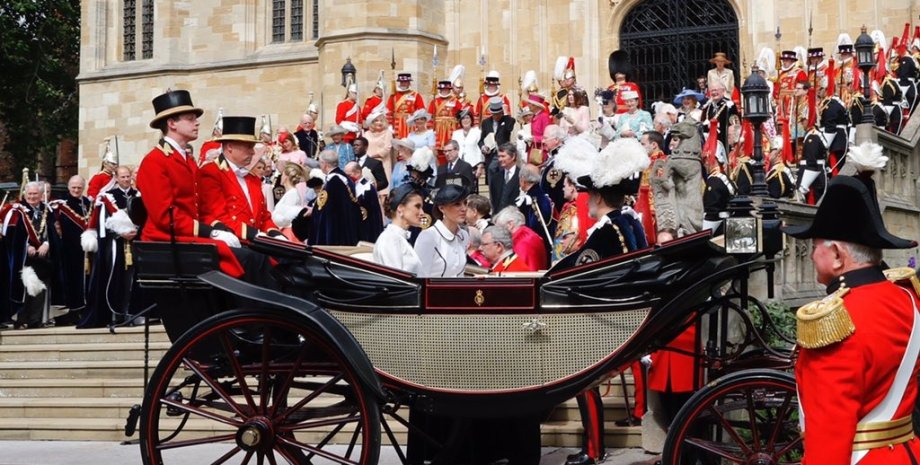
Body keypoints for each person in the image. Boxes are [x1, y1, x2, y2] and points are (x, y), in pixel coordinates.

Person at [783, 174, 920, 464]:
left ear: (836, 255)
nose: (810, 256)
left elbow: (828, 442)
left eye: (815, 246)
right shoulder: (908, 298)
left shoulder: (835, 322)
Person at [551, 135, 650, 465]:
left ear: (597, 195)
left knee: (581, 379)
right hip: (625, 310)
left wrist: (551, 275)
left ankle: (593, 451)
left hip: (609, 317)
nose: (587, 200)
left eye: (589, 194)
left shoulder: (609, 229)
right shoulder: (628, 221)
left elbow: (580, 266)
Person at [134, 89, 248, 283]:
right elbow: (165, 217)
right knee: (247, 259)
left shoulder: (187, 159)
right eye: (190, 118)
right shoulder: (155, 161)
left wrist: (220, 227)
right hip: (164, 239)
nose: (197, 122)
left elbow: (201, 207)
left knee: (250, 251)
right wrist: (209, 232)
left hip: (186, 235)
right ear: (172, 124)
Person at [197, 116, 285, 243]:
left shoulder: (252, 178)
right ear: (230, 147)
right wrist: (255, 234)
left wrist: (275, 234)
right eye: (248, 147)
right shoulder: (211, 172)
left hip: (255, 243)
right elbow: (218, 216)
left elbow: (263, 217)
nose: (253, 152)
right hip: (233, 243)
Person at [79, 168, 140, 328]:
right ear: (117, 178)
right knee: (116, 278)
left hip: (136, 243)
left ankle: (132, 312)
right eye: (123, 177)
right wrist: (120, 233)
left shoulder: (138, 195)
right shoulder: (108, 197)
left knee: (133, 280)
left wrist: (136, 232)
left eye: (128, 176)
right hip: (116, 244)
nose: (126, 180)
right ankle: (116, 313)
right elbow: (103, 224)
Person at [3, 182, 53, 328]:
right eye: (29, 194)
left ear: (40, 195)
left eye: (35, 194)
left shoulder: (46, 210)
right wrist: (26, 247)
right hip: (25, 257)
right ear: (25, 195)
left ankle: (35, 319)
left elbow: (54, 232)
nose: (32, 197)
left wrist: (47, 244)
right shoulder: (18, 212)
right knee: (25, 288)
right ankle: (21, 319)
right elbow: (13, 236)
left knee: (40, 288)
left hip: (43, 257)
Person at [51, 175, 92, 324]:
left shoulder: (88, 203)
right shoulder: (61, 206)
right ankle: (73, 311)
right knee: (72, 282)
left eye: (79, 187)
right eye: (73, 187)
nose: (76, 190)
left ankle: (86, 308)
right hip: (69, 250)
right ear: (68, 188)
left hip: (88, 251)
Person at [414, 184, 469, 278]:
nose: (464, 208)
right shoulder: (428, 236)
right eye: (457, 204)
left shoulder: (464, 235)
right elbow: (420, 276)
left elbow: (460, 275)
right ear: (441, 208)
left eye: (465, 203)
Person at [311, 149, 363, 246]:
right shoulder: (341, 177)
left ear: (325, 164)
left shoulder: (334, 180)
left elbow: (326, 207)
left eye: (320, 163)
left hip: (336, 231)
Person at [372, 184, 423, 273]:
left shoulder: (398, 238)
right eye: (417, 207)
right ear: (400, 208)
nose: (422, 213)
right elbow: (396, 280)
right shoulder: (390, 239)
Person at [492, 206, 546, 272]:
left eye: (500, 228)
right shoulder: (525, 233)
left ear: (510, 224)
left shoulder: (522, 241)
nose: (498, 232)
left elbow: (518, 271)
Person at [344, 162, 384, 243]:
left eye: (348, 174)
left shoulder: (367, 188)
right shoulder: (353, 185)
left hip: (366, 229)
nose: (347, 177)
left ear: (358, 173)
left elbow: (370, 214)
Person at [271, 162, 308, 242]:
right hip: (285, 230)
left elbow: (288, 217)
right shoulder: (289, 193)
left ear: (286, 177)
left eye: (283, 174)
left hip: (289, 232)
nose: (281, 177)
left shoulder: (292, 193)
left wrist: (274, 218)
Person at [364, 104, 393, 196]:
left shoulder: (388, 133)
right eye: (376, 121)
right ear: (372, 123)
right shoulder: (366, 134)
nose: (379, 123)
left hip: (383, 163)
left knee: (383, 192)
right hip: (370, 166)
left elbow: (387, 149)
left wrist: (372, 156)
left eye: (381, 120)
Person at [387, 72, 426, 139]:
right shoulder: (394, 95)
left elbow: (421, 110)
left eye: (405, 82)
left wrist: (418, 123)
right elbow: (389, 111)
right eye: (401, 82)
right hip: (397, 122)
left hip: (410, 122)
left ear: (409, 83)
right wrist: (389, 125)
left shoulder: (415, 95)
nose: (403, 84)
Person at [429, 80, 460, 163]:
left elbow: (460, 116)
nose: (444, 91)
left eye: (446, 89)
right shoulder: (434, 101)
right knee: (439, 151)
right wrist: (431, 130)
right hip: (438, 130)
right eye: (443, 90)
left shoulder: (455, 101)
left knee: (451, 148)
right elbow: (430, 117)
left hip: (450, 129)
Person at [479, 97, 517, 164]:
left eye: (498, 114)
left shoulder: (508, 120)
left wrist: (506, 114)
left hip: (504, 156)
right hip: (490, 157)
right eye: (494, 114)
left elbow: (509, 128)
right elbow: (481, 140)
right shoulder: (485, 122)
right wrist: (483, 147)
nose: (496, 116)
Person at [451, 108, 484, 183]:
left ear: (471, 119)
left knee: (471, 189)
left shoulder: (477, 132)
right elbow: (453, 149)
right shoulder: (456, 133)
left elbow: (480, 150)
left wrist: (480, 166)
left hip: (473, 165)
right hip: (458, 165)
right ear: (460, 121)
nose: (465, 120)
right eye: (463, 118)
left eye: (467, 118)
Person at [487, 143, 521, 214]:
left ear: (513, 156)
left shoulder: (522, 176)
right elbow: (494, 201)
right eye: (499, 156)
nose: (500, 159)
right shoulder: (495, 178)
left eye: (503, 156)